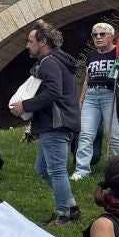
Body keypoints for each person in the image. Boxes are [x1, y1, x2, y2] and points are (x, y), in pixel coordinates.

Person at [13, 23, 81, 225]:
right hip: (56, 123)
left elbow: (53, 92)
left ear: (43, 42)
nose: (27, 46)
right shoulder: (59, 60)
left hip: (55, 124)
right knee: (42, 169)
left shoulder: (49, 62)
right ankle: (71, 207)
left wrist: (25, 106)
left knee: (57, 171)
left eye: (30, 41)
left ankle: (64, 215)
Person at [72, 21, 119, 181]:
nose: (98, 37)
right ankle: (82, 170)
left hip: (112, 95)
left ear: (111, 36)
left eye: (102, 34)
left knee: (115, 136)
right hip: (91, 96)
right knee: (85, 134)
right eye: (94, 35)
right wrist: (81, 100)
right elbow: (87, 79)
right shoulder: (92, 56)